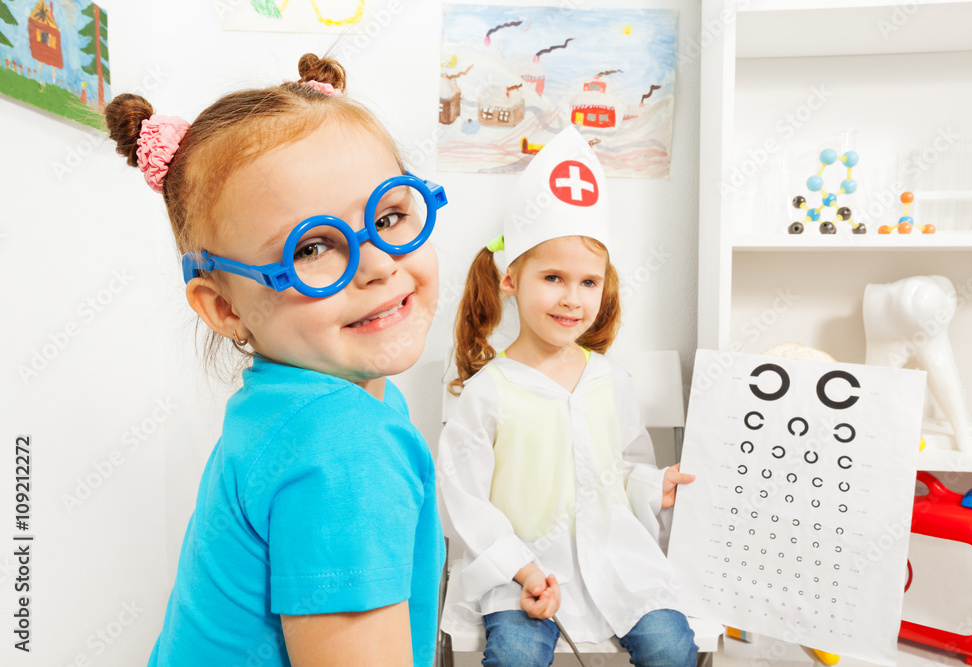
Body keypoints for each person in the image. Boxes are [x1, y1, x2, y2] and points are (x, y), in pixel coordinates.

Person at [105, 53, 446, 666]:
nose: (376, 265)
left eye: (390, 215)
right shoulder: (343, 443)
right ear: (225, 307)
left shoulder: (300, 396)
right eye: (312, 247)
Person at [437, 127, 697, 667]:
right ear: (511, 279)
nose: (571, 299)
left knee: (673, 647)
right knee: (514, 657)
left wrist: (657, 486)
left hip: (618, 562)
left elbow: (626, 468)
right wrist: (523, 569)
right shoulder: (489, 391)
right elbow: (463, 497)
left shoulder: (611, 382)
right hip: (525, 571)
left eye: (587, 283)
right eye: (553, 277)